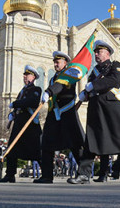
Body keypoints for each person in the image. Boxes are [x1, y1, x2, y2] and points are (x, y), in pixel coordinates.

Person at [68, 40, 120, 184]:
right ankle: (83, 174)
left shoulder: (115, 65)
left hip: (111, 106)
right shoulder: (94, 72)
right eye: (95, 52)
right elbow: (90, 87)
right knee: (91, 140)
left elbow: (114, 81)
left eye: (99, 52)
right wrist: (85, 94)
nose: (96, 54)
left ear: (107, 53)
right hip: (95, 107)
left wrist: (93, 85)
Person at [35, 51, 85, 184]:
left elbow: (61, 86)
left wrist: (49, 91)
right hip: (54, 113)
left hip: (67, 113)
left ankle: (84, 174)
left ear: (65, 63)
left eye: (58, 62)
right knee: (46, 143)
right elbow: (55, 85)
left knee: (75, 144)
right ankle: (46, 176)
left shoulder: (69, 74)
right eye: (54, 62)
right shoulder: (53, 78)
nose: (55, 64)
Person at [0, 65, 42, 183]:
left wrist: (16, 104)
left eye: (27, 75)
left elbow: (32, 101)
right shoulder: (22, 91)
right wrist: (12, 114)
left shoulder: (36, 90)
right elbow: (20, 104)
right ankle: (10, 175)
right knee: (11, 149)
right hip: (19, 123)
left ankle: (46, 174)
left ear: (33, 77)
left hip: (30, 124)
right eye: (24, 75)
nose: (24, 77)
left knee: (37, 150)